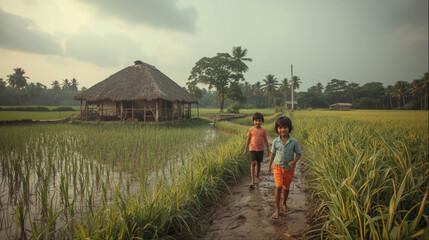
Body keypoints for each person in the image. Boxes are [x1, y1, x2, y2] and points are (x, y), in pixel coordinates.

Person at [267, 116, 302, 219]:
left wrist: (294, 161)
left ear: (289, 128)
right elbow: (272, 154)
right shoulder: (275, 142)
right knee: (278, 187)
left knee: (286, 188)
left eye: (285, 127)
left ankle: (284, 203)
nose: (283, 130)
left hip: (289, 169)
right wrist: (269, 166)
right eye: (280, 127)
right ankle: (277, 209)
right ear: (277, 129)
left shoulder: (294, 142)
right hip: (277, 167)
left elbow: (299, 154)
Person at [244, 112, 270, 188]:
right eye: (256, 120)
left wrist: (268, 150)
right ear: (253, 121)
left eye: (259, 120)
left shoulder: (263, 130)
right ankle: (252, 180)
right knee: (253, 163)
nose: (258, 122)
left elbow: (265, 140)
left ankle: (257, 176)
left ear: (262, 121)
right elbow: (248, 140)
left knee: (258, 163)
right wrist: (245, 149)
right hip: (252, 149)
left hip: (260, 149)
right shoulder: (251, 129)